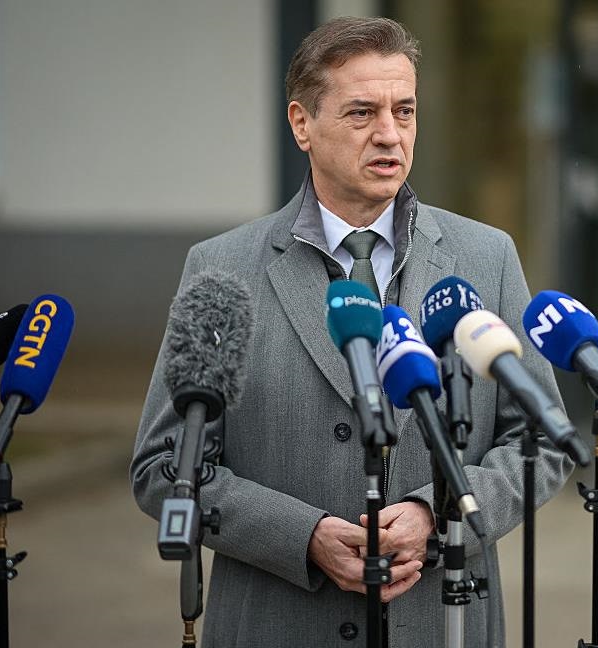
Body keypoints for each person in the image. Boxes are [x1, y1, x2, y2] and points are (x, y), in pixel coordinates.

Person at [131, 16, 572, 647]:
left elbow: (540, 441)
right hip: (278, 625)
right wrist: (302, 536)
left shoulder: (486, 257)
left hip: (442, 622)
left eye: (404, 110)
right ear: (302, 124)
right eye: (362, 112)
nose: (390, 133)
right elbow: (163, 466)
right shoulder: (223, 268)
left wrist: (437, 512)